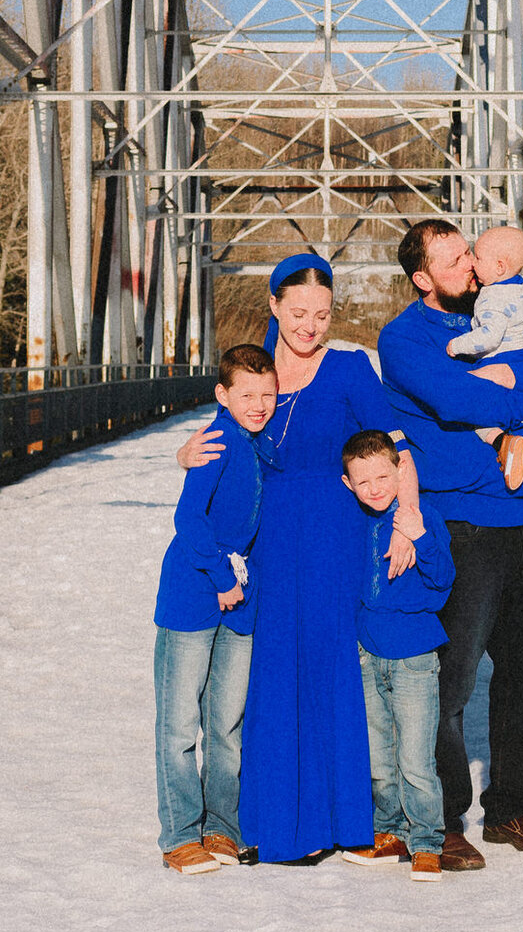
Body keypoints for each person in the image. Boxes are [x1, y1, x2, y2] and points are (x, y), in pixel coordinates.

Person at [178, 254, 417, 863]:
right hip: (267, 544)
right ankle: (275, 821)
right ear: (274, 306)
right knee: (272, 673)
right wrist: (185, 455)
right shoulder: (253, 374)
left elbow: (397, 448)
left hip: (337, 540)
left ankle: (342, 820)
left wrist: (407, 518)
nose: (311, 325)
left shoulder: (348, 368)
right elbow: (219, 443)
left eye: (323, 314)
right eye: (300, 312)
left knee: (333, 667)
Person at [378, 217, 523, 871]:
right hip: (463, 526)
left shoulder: (506, 309)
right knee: (453, 682)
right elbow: (452, 397)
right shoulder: (404, 336)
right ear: (421, 277)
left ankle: (509, 809)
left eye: (467, 250)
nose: (467, 264)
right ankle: (442, 820)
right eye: (448, 259)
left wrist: (515, 386)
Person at [152, 344, 274, 875]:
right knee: (180, 725)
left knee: (225, 723)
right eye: (246, 394)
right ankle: (180, 835)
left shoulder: (258, 443)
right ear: (222, 395)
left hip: (239, 604)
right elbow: (189, 517)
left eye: (268, 394)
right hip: (194, 595)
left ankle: (222, 828)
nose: (259, 403)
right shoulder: (218, 439)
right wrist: (223, 577)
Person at [336, 428, 453, 882]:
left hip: (414, 659)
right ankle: (390, 831)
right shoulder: (357, 521)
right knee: (378, 756)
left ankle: (427, 842)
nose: (375, 489)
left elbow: (443, 584)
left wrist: (420, 536)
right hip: (367, 657)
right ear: (349, 484)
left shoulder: (422, 518)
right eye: (363, 483)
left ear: (401, 470)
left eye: (383, 477)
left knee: (416, 758)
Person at [446, 226, 523, 499]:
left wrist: (457, 346)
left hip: (500, 361)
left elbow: (489, 337)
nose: (472, 263)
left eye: (477, 257)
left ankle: (503, 442)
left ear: (499, 267)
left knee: (475, 413)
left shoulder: (490, 299)